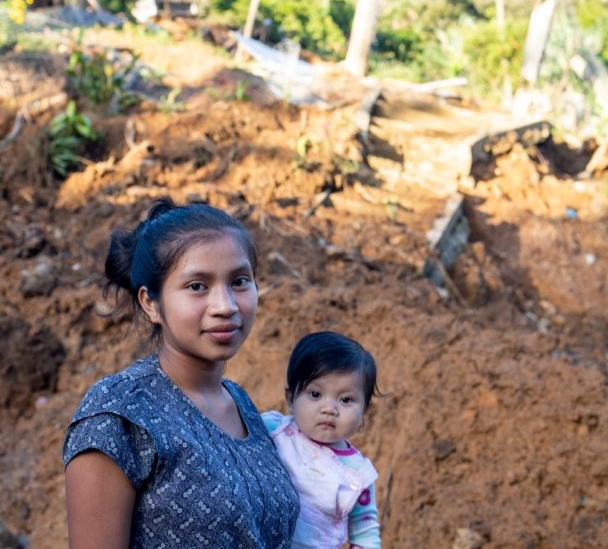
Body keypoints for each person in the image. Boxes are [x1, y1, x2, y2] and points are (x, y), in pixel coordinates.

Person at [63, 198, 299, 548]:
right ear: (151, 303)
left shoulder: (242, 404)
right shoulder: (118, 415)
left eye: (239, 281)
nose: (226, 306)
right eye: (197, 286)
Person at [262, 331, 382, 549]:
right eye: (315, 394)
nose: (329, 409)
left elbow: (365, 533)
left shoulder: (358, 476)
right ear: (290, 398)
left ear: (365, 410)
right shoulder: (270, 430)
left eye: (345, 399)